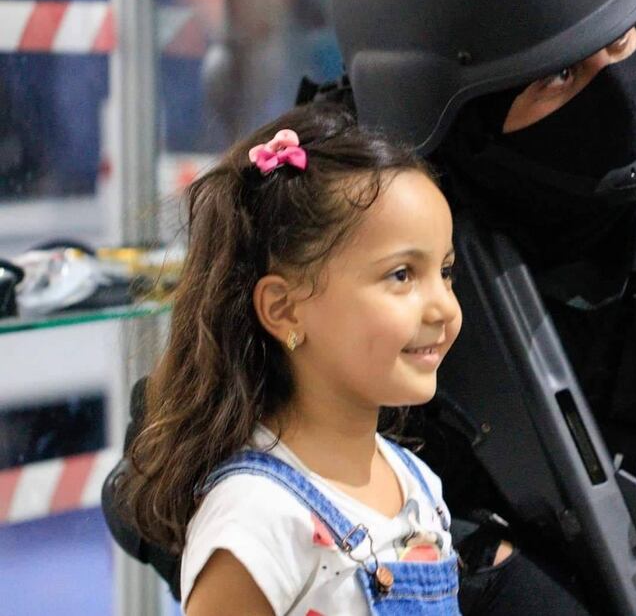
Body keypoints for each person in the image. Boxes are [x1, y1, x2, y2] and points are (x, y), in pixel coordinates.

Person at [106, 0, 636, 614]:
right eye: (560, 74)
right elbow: (153, 486)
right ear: (449, 113)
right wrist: (472, 570)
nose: (616, 94)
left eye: (622, 43)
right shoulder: (341, 210)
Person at [112, 104, 463, 615]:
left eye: (446, 271)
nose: (443, 307)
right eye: (402, 275)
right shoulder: (256, 519)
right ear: (283, 309)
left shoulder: (417, 484)